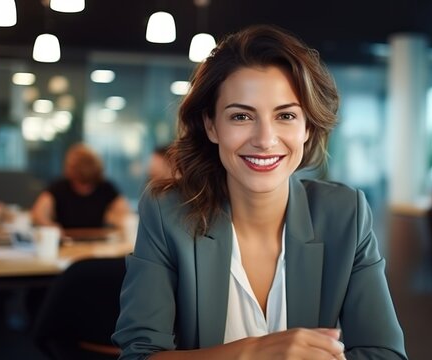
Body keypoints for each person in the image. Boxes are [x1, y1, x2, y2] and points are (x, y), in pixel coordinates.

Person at [112, 25, 406, 359]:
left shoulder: (346, 213)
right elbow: (140, 356)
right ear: (211, 125)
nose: (265, 139)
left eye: (286, 115)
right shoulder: (168, 212)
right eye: (241, 116)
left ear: (307, 127)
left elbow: (386, 354)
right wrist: (255, 351)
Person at [31, 143, 130, 229]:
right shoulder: (59, 187)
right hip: (67, 243)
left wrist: (113, 219)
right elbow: (38, 215)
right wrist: (51, 227)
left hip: (99, 244)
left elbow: (126, 215)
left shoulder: (105, 187)